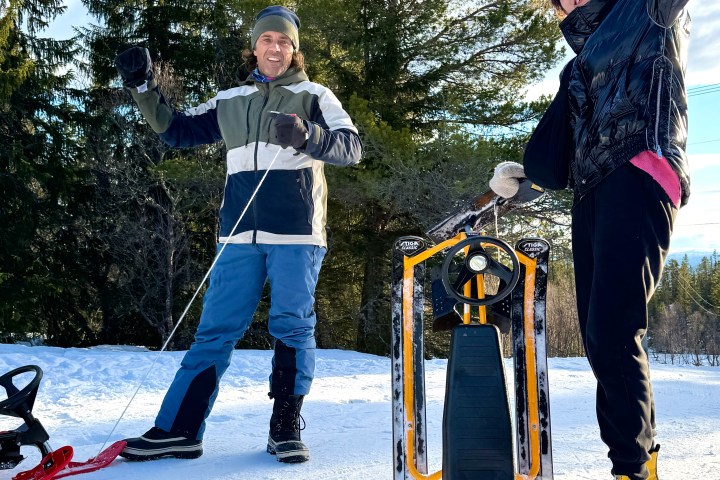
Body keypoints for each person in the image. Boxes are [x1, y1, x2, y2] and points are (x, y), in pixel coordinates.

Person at [113, 5, 362, 464]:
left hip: (296, 234)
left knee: (292, 326)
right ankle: (180, 430)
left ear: (295, 50)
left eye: (284, 41)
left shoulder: (314, 95)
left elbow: (351, 146)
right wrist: (143, 87)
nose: (276, 48)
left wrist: (308, 135)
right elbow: (177, 131)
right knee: (214, 331)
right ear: (255, 47)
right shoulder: (230, 99)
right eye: (268, 40)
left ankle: (285, 427)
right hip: (237, 235)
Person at [490, 0, 690, 479]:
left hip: (640, 170)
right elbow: (550, 161)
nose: (572, 3)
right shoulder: (577, 67)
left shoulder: (648, 12)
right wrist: (522, 178)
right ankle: (642, 459)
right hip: (591, 190)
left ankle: (631, 469)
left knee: (615, 330)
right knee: (600, 338)